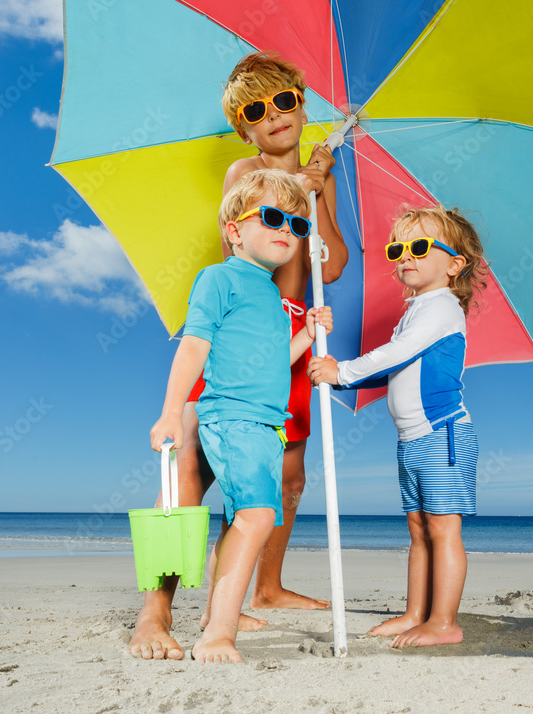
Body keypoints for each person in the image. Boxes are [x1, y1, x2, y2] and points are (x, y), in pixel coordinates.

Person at [144, 169, 332, 664]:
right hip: (231, 418)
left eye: (297, 224)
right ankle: (219, 632)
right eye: (272, 217)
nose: (286, 230)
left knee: (239, 518)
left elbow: (274, 363)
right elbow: (193, 346)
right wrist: (168, 413)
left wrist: (308, 336)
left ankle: (214, 615)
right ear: (234, 230)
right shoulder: (219, 278)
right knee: (258, 516)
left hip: (267, 425)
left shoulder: (272, 295)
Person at [307, 205, 486, 648]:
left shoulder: (442, 307)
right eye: (398, 249)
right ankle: (414, 613)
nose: (405, 256)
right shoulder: (417, 309)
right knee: (418, 529)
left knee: (443, 529)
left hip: (442, 434)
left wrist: (341, 371)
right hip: (411, 440)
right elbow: (391, 368)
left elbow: (398, 353)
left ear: (454, 264)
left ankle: (444, 622)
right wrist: (335, 379)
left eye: (420, 247)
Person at [213, 51, 347, 614]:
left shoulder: (321, 178)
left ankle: (269, 585)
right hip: (259, 325)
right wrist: (292, 183)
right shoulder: (244, 175)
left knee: (291, 471)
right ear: (245, 130)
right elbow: (236, 251)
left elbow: (334, 263)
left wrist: (316, 195)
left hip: (301, 326)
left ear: (301, 104)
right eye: (256, 110)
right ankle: (229, 597)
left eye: (284, 101)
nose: (274, 115)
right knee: (250, 468)